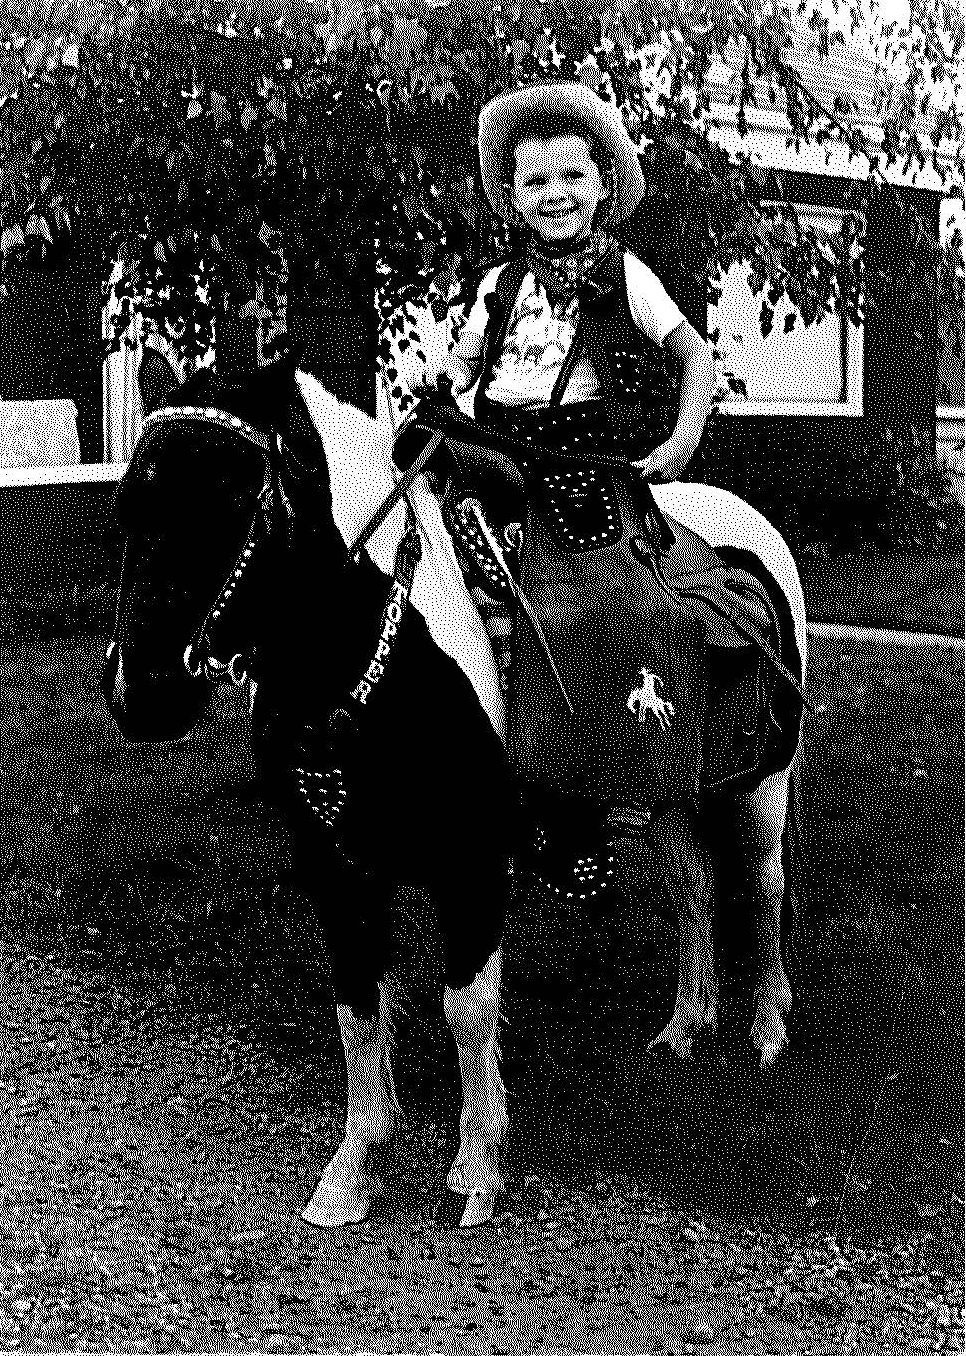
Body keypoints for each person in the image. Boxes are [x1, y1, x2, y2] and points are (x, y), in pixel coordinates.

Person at [424, 80, 715, 691]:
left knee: (600, 596)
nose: (555, 195)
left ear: (604, 185)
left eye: (573, 177)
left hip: (580, 458)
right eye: (534, 182)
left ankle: (610, 690)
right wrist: (446, 376)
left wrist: (679, 441)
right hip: (500, 448)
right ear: (513, 198)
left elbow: (693, 353)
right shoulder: (500, 286)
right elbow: (466, 363)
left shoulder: (624, 275)